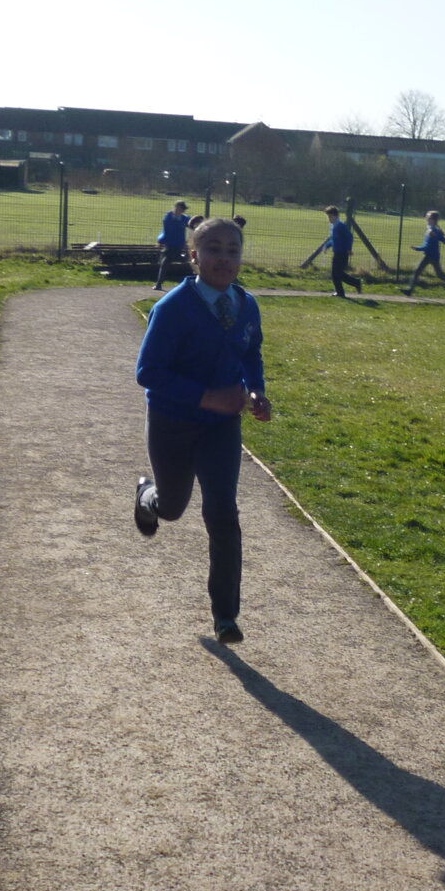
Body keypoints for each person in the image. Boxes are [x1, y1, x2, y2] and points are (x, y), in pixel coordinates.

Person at [132, 217, 271, 645]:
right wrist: (207, 396)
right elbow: (148, 373)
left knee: (223, 514)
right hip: (174, 424)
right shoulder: (173, 308)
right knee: (173, 508)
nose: (223, 258)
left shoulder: (246, 305)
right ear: (194, 256)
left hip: (221, 428)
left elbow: (251, 355)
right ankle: (146, 496)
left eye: (233, 250)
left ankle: (225, 616)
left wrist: (256, 392)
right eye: (213, 249)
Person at [313, 205, 364, 297]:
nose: (329, 219)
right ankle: (343, 290)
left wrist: (349, 248)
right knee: (336, 273)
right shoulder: (333, 226)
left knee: (338, 273)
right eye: (328, 217)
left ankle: (352, 285)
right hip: (337, 253)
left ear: (336, 216)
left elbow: (350, 237)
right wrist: (327, 246)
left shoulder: (341, 226)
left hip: (343, 253)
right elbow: (334, 239)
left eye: (330, 217)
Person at [408, 210, 445, 296]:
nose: (426, 218)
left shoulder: (432, 231)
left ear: (433, 220)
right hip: (432, 255)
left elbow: (428, 246)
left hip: (431, 256)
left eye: (428, 217)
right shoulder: (434, 230)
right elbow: (443, 239)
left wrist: (417, 248)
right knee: (439, 274)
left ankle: (410, 290)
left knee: (418, 272)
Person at [153, 199, 191, 290]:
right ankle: (159, 284)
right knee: (164, 262)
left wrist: (189, 242)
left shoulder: (185, 219)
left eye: (179, 209)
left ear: (182, 210)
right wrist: (160, 240)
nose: (177, 210)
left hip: (179, 246)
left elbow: (193, 226)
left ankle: (191, 282)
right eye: (176, 208)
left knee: (187, 261)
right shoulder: (169, 217)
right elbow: (165, 231)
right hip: (169, 246)